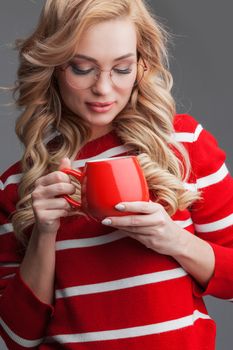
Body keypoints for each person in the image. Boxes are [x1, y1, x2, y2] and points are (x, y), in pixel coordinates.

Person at [0, 0, 232, 349]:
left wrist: (173, 240)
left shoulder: (184, 144)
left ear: (141, 65)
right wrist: (44, 233)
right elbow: (19, 337)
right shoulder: (21, 184)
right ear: (54, 67)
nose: (104, 89)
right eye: (82, 68)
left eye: (121, 69)